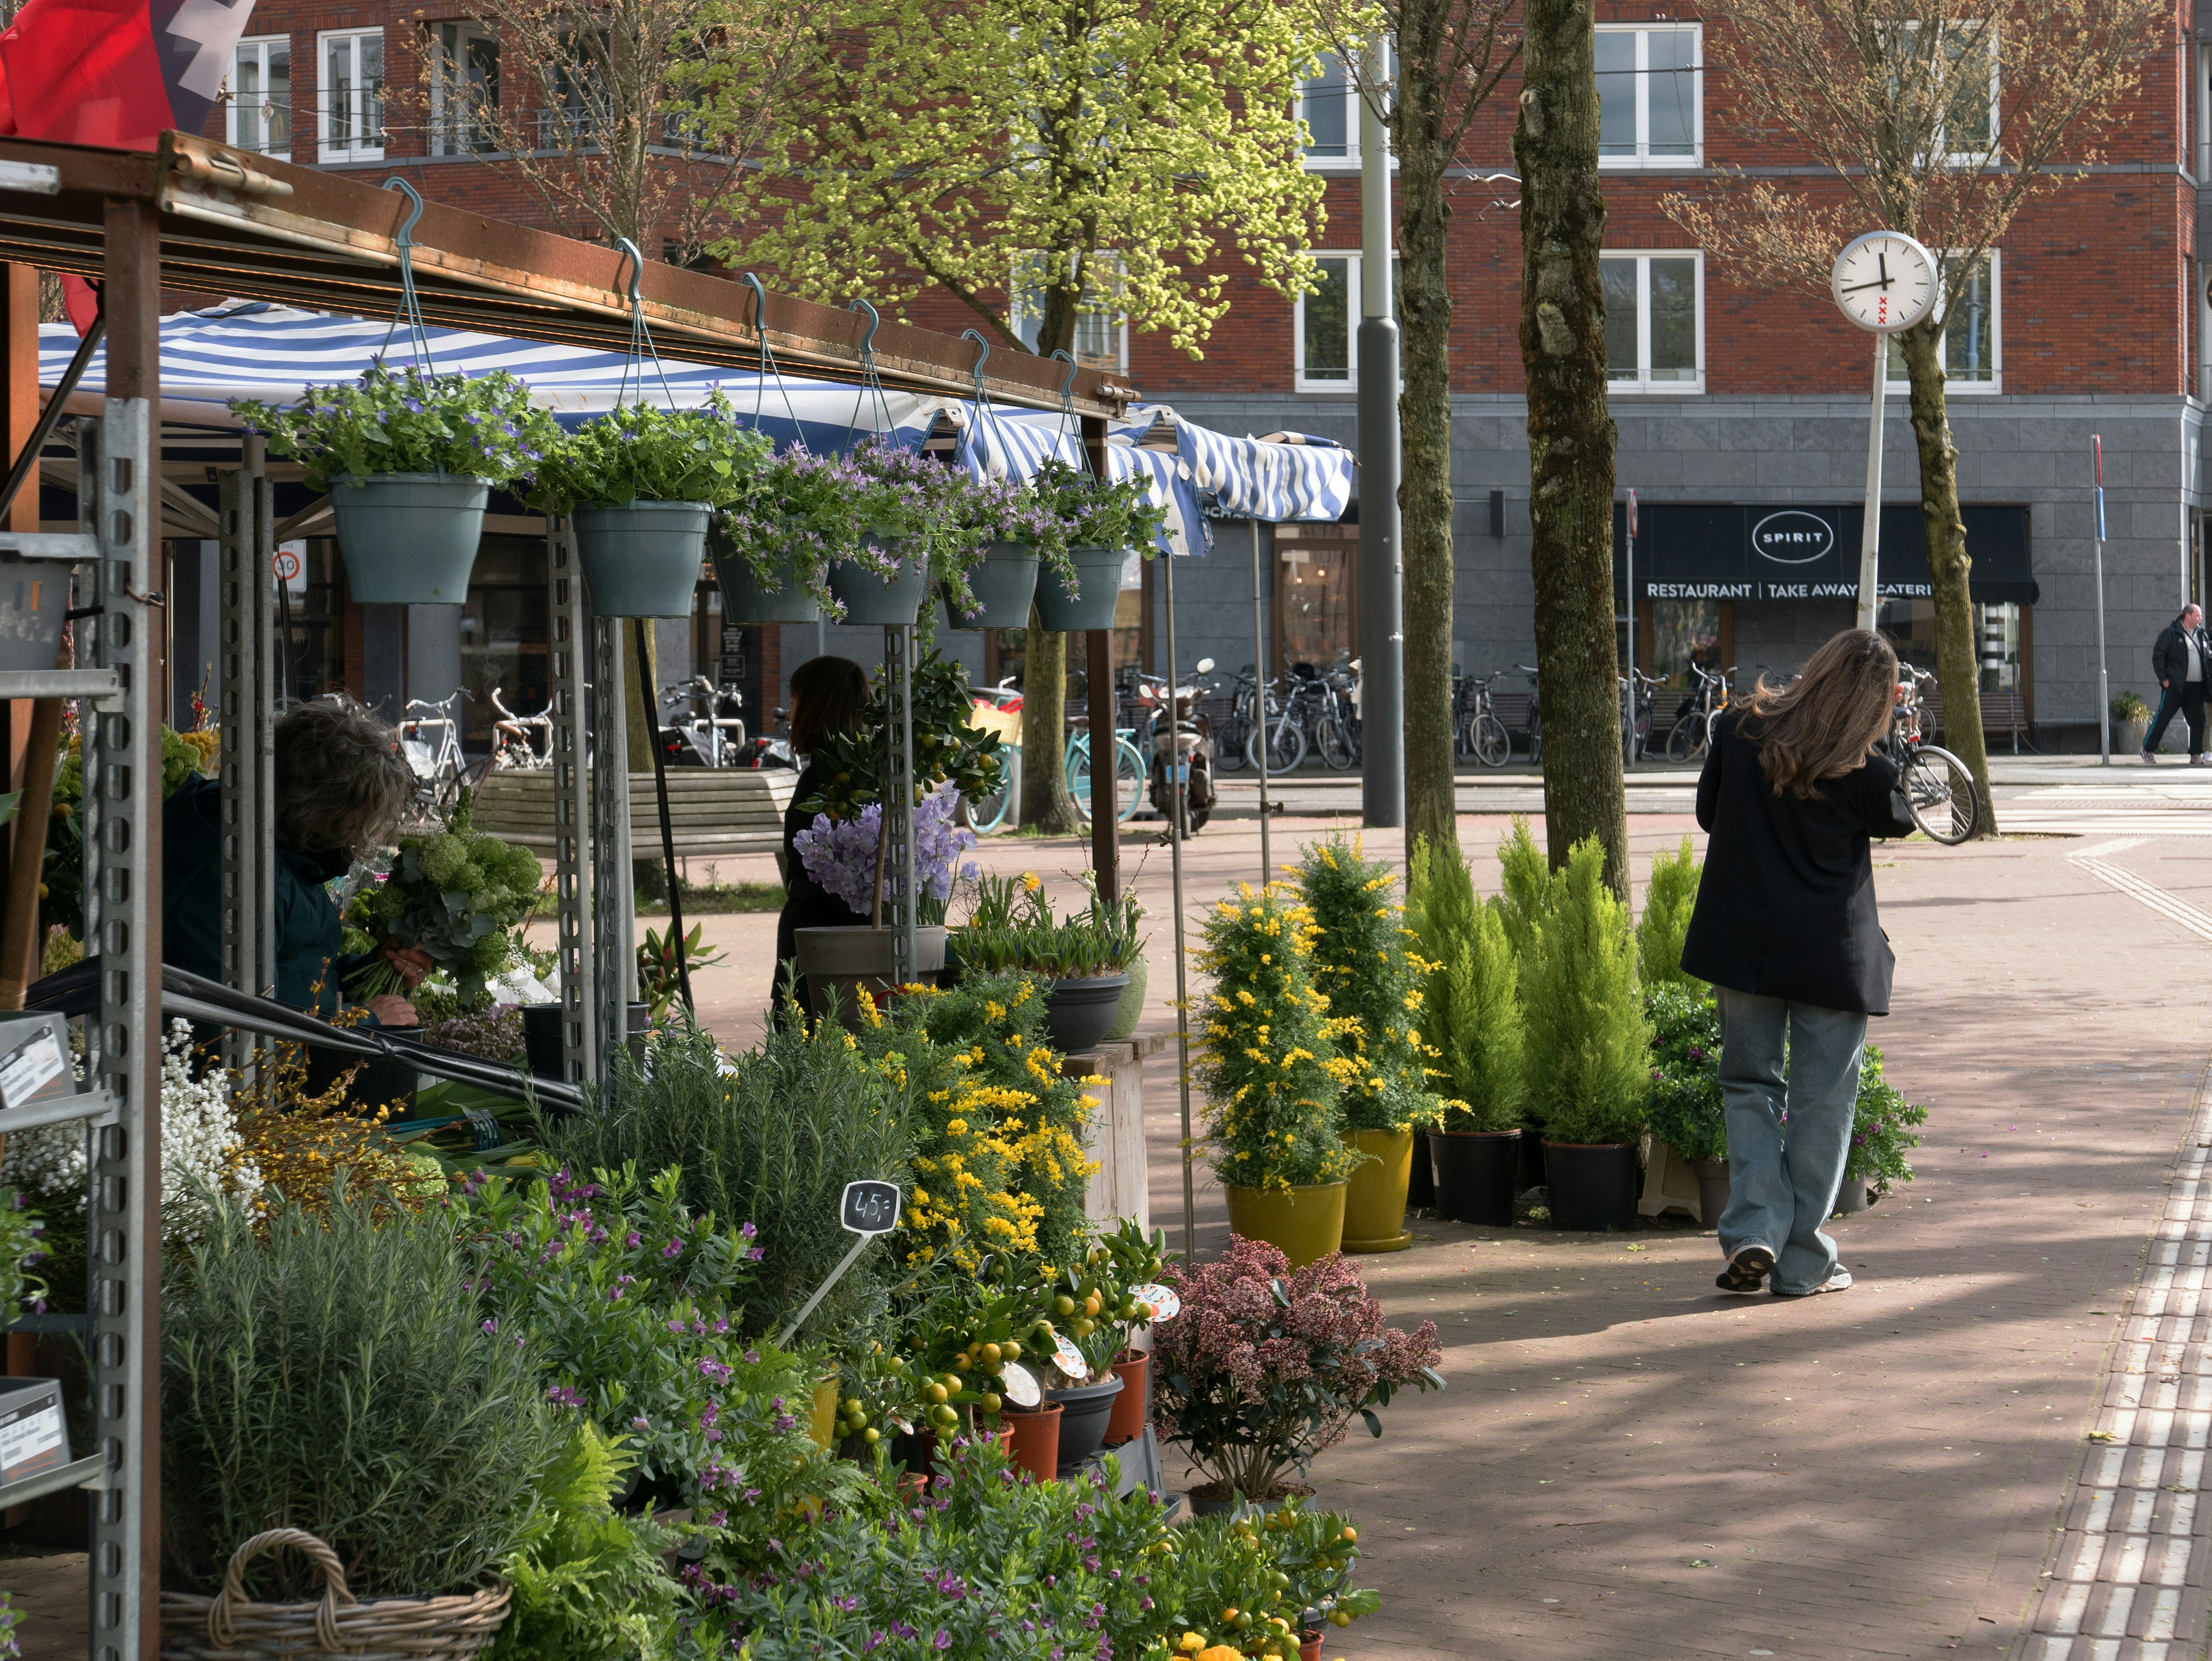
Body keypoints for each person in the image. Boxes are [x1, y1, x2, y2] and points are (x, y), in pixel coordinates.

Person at [1679, 629, 1919, 1300]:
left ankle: (1755, 1227)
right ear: (1876, 702)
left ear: (1814, 668)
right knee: (1823, 1105)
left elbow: (1708, 814)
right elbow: (1900, 819)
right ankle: (1803, 1260)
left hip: (1746, 944)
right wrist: (1884, 742)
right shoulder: (1863, 770)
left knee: (1748, 1083)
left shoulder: (1736, 729)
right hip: (1830, 956)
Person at [164, 698, 429, 1028]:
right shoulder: (240, 874)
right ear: (316, 808)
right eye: (355, 818)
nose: (357, 835)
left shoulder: (277, 849)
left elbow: (294, 975)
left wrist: (374, 965)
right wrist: (361, 1021)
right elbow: (237, 1029)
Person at [774, 656, 871, 1014]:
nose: (789, 714)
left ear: (817, 706)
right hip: (856, 943)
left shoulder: (822, 779)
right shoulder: (869, 771)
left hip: (814, 941)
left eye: (795, 701)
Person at [2144, 603, 2209, 765]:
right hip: (2176, 686)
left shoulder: (2202, 635)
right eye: (2198, 615)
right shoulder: (2171, 634)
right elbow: (2158, 655)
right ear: (2188, 616)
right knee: (2163, 718)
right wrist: (2164, 679)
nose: (2201, 619)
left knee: (2198, 720)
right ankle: (2147, 750)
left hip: (2197, 687)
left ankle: (2196, 754)